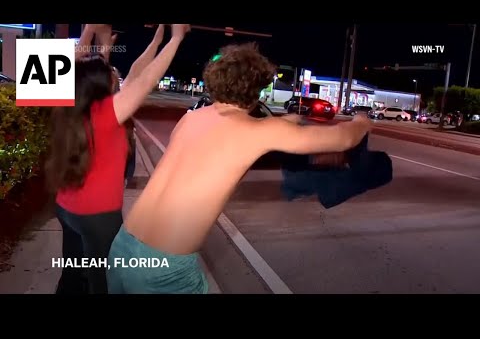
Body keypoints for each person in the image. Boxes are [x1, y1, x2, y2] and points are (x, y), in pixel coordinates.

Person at [106, 43, 372, 294]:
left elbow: (227, 141)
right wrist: (362, 120)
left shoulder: (191, 119)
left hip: (123, 246)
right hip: (163, 270)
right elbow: (344, 138)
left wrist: (285, 123)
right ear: (256, 88)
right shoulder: (258, 131)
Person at [46, 23, 190, 294]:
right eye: (112, 72)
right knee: (105, 282)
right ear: (103, 84)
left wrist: (156, 40)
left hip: (67, 206)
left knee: (74, 275)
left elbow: (125, 71)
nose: (119, 74)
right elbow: (145, 79)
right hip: (97, 216)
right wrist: (176, 40)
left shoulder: (68, 105)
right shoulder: (108, 113)